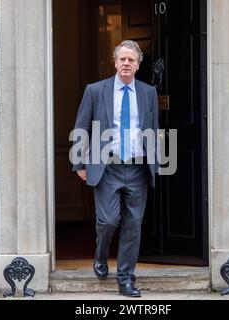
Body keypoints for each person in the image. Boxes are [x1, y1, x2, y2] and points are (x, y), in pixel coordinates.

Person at [72, 40, 159, 298]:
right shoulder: (95, 91)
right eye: (122, 59)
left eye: (131, 60)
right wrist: (79, 163)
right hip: (107, 167)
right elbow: (82, 127)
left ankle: (125, 279)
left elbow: (153, 128)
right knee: (108, 221)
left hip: (137, 168)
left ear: (138, 65)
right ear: (115, 62)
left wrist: (154, 162)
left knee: (133, 225)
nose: (126, 64)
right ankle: (100, 256)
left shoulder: (148, 92)